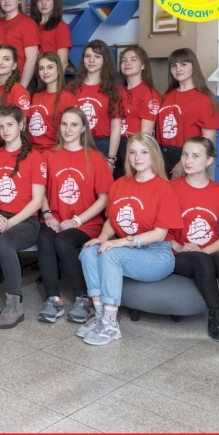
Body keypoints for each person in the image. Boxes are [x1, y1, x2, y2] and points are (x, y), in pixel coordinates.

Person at [78, 134, 183, 346]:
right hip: (129, 250)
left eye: (144, 152)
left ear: (153, 155)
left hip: (157, 254)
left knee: (111, 255)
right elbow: (111, 220)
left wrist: (122, 242)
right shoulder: (119, 184)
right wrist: (102, 237)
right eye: (133, 152)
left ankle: (111, 324)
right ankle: (99, 315)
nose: (137, 157)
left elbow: (160, 234)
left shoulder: (164, 188)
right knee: (88, 251)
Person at [38, 107, 113, 325]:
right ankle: (53, 299)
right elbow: (40, 190)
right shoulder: (48, 156)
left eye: (73, 125)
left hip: (86, 223)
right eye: (64, 124)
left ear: (83, 128)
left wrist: (77, 220)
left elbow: (104, 199)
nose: (68, 129)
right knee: (45, 237)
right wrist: (48, 214)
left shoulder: (95, 158)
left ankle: (83, 297)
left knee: (63, 241)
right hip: (54, 218)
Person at [170, 137, 219, 342]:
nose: (188, 160)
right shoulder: (171, 189)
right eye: (185, 154)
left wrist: (203, 250)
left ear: (209, 160)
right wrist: (176, 245)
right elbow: (160, 227)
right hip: (180, 254)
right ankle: (216, 314)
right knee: (203, 260)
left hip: (209, 253)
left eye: (196, 156)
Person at [0, 106, 45, 328]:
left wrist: (11, 222)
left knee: (5, 241)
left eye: (9, 125)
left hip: (25, 220)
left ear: (21, 125)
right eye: (0, 126)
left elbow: (37, 200)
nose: (5, 130)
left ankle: (15, 304)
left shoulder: (35, 157)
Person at [157, 48, 219, 179]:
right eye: (173, 66)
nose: (178, 69)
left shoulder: (204, 99)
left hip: (186, 154)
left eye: (183, 64)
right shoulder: (167, 95)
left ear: (194, 67)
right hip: (161, 153)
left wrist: (185, 160)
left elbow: (208, 138)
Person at [69, 40, 125, 170]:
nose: (91, 60)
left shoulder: (114, 89)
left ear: (105, 60)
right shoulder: (72, 87)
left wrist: (111, 158)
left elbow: (116, 127)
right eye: (88, 56)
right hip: (76, 141)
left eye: (97, 56)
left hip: (102, 144)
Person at [118, 45, 161, 179]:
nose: (127, 63)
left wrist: (136, 155)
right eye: (124, 60)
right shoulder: (117, 91)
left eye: (133, 60)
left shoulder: (149, 94)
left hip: (134, 146)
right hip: (113, 144)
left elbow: (145, 135)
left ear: (143, 65)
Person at [28, 52, 76, 152]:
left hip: (55, 152)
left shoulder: (68, 98)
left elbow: (75, 131)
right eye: (41, 68)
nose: (45, 72)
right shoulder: (35, 96)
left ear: (58, 69)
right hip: (32, 152)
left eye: (50, 67)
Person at [0, 0, 39, 89]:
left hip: (21, 80)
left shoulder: (27, 23)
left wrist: (21, 88)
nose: (7, 1)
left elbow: (31, 59)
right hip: (1, 80)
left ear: (19, 0)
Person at [0, 44, 31, 149]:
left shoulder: (18, 90)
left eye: (6, 59)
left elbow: (22, 125)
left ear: (14, 65)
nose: (0, 62)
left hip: (6, 147)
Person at [30, 0, 71, 72]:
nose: (43, 3)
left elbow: (63, 62)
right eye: (39, 0)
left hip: (50, 75)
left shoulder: (61, 26)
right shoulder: (30, 25)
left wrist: (55, 80)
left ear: (55, 1)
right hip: (31, 75)